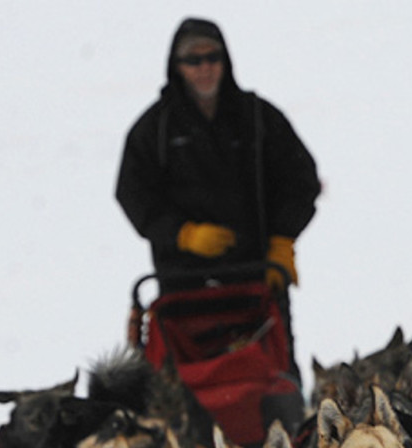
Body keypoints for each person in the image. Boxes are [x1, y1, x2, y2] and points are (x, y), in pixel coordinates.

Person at [116, 17, 321, 390]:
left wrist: (282, 241)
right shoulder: (155, 129)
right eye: (193, 60)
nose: (205, 68)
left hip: (258, 280)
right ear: (176, 67)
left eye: (213, 57)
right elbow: (132, 193)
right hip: (183, 289)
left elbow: (300, 181)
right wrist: (182, 234)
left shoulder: (258, 118)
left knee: (276, 385)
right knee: (189, 393)